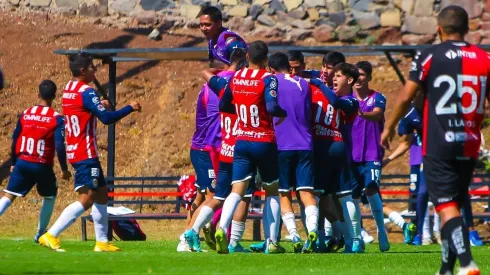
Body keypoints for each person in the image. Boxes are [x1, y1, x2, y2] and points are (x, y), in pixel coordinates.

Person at [381, 5, 483, 275]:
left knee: (446, 205)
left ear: (439, 29)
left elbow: (405, 95)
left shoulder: (429, 56)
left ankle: (467, 262)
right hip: (470, 141)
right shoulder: (484, 58)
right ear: (468, 28)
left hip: (439, 142)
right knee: (454, 204)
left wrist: (388, 128)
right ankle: (445, 268)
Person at [38, 53, 141, 252]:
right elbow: (107, 119)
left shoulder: (69, 88)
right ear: (84, 71)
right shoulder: (87, 92)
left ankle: (102, 242)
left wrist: (99, 106)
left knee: (102, 194)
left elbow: (82, 109)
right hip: (85, 153)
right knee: (88, 199)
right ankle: (51, 234)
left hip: (76, 150)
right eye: (93, 67)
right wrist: (130, 107)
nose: (96, 70)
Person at [214, 41, 287, 254]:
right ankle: (271, 242)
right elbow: (272, 107)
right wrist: (284, 113)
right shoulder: (268, 78)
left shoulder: (237, 77)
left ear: (247, 56)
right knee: (272, 191)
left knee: (237, 190)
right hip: (264, 141)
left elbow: (223, 105)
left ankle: (222, 229)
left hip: (242, 140)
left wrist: (241, 111)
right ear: (266, 59)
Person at [183, 48, 253, 253]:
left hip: (222, 151)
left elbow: (206, 74)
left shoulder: (219, 86)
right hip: (237, 152)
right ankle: (229, 238)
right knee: (242, 196)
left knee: (216, 197)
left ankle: (191, 232)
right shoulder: (241, 90)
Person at [0, 80, 71, 242]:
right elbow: (60, 145)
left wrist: (13, 162)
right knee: (50, 196)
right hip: (42, 165)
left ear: (38, 94)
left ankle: (41, 233)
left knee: (8, 196)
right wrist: (64, 169)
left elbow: (15, 138)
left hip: (22, 162)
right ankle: (40, 233)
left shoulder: (26, 113)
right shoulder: (56, 118)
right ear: (54, 96)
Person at [267, 52, 319, 253]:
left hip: (282, 145)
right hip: (305, 144)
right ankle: (312, 231)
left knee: (284, 194)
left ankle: (295, 235)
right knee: (306, 192)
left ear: (272, 69)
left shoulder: (272, 83)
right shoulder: (304, 84)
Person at [349, 61, 390, 252]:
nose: (358, 78)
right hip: (351, 155)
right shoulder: (346, 99)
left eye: (363, 75)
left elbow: (377, 114)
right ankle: (357, 237)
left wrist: (362, 114)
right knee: (353, 196)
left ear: (370, 77)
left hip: (372, 153)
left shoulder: (378, 98)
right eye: (356, 75)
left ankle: (381, 231)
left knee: (372, 189)